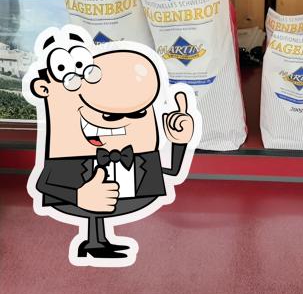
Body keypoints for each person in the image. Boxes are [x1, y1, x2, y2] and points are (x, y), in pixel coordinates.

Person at [25, 27, 198, 264]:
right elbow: (43, 183)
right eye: (109, 116)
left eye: (138, 113)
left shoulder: (141, 157)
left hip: (133, 207)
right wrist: (78, 196)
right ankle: (94, 242)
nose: (119, 120)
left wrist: (180, 142)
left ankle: (99, 241)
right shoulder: (67, 159)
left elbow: (173, 173)